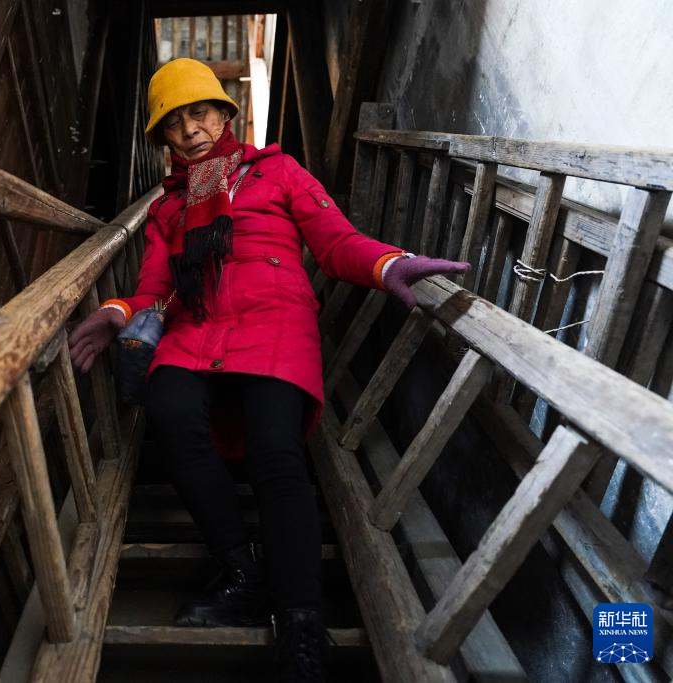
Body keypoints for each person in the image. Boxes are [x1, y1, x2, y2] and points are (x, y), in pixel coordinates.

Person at [69, 58, 467, 682]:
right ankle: (242, 569)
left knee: (275, 450)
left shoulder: (278, 171)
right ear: (162, 138)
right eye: (173, 124)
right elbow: (152, 290)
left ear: (224, 114)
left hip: (274, 321)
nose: (190, 131)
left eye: (199, 113)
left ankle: (301, 621)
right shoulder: (167, 210)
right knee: (169, 411)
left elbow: (335, 243)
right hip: (194, 328)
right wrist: (115, 312)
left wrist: (391, 264)